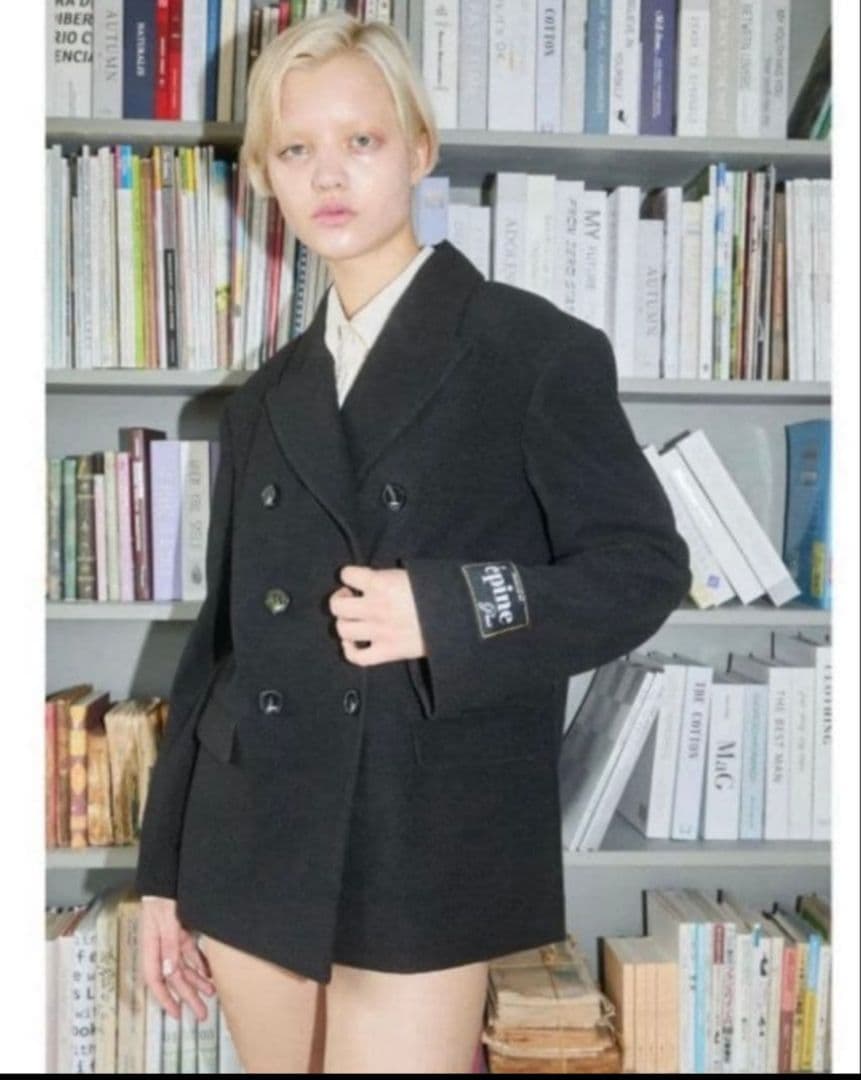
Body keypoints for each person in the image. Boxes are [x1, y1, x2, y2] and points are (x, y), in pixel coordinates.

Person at [136, 11, 691, 1074]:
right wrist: (163, 872)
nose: (327, 175)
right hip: (250, 839)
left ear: (419, 148)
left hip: (422, 838)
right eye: (294, 149)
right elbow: (218, 650)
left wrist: (441, 608)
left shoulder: (530, 350)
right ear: (264, 176)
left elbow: (643, 571)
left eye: (361, 139)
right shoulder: (264, 400)